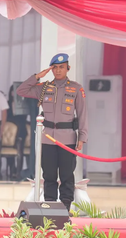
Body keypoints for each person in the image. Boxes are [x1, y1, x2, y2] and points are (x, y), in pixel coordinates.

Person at [16, 53, 88, 212]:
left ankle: (65, 209)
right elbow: (21, 90)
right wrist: (38, 76)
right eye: (54, 67)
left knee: (67, 176)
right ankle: (50, 208)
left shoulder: (76, 88)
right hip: (47, 138)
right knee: (48, 175)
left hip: (67, 137)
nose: (58, 70)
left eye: (61, 67)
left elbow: (82, 114)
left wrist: (82, 137)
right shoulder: (44, 88)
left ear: (68, 68)